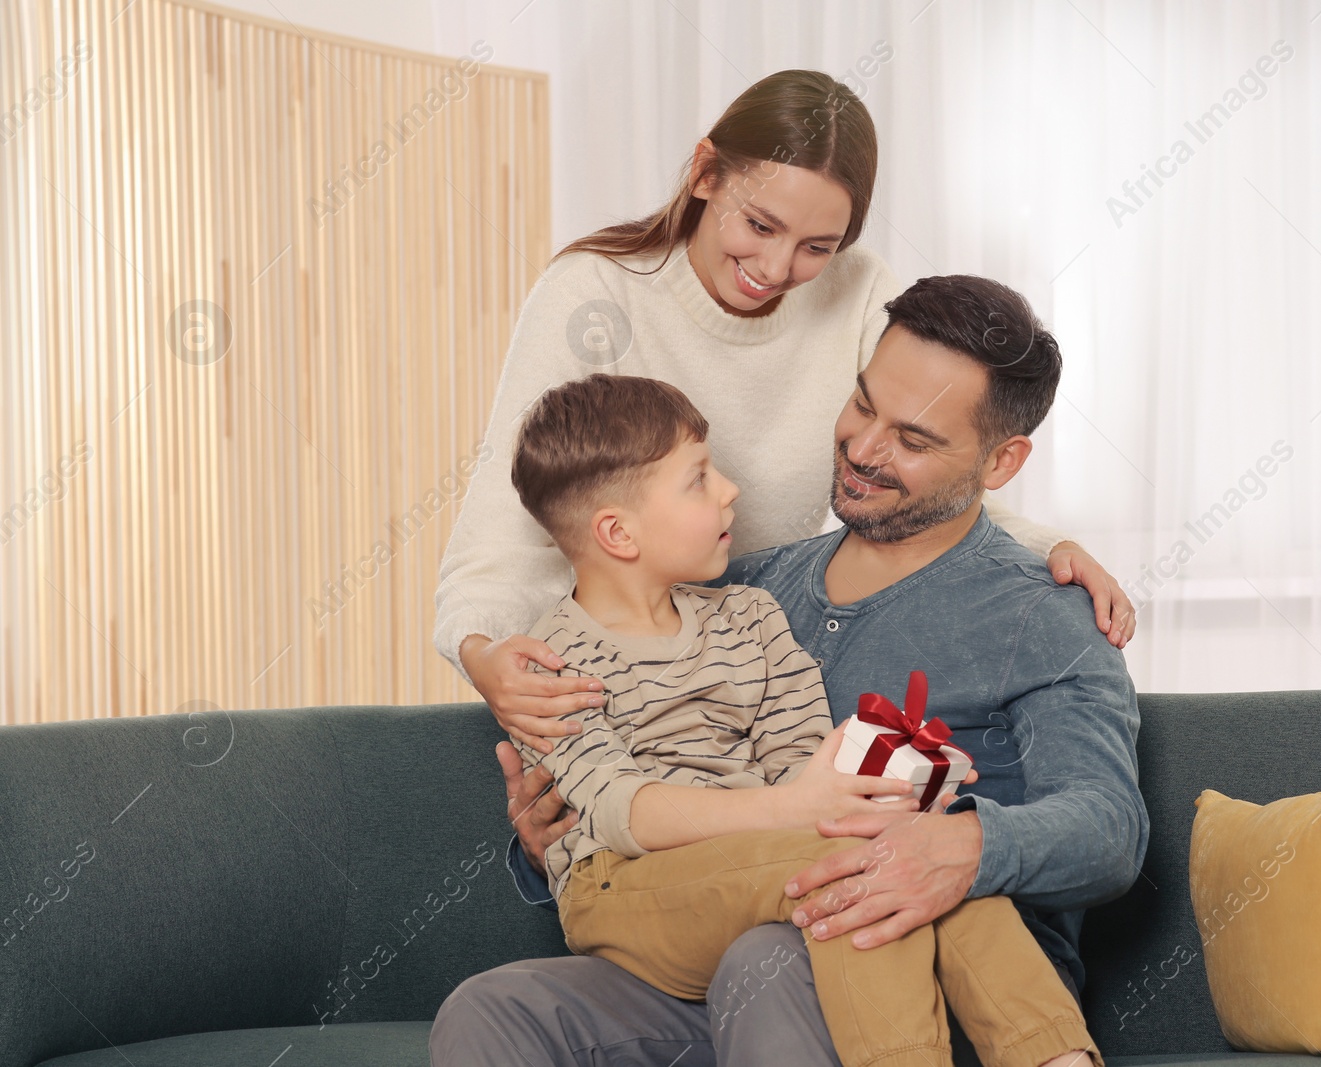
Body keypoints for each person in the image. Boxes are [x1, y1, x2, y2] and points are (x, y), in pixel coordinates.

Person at [432, 274, 1148, 1067]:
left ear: (1001, 461)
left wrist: (964, 846)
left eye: (911, 439)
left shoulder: (1044, 610)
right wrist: (553, 836)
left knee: (770, 956)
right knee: (493, 1011)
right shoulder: (743, 591)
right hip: (710, 941)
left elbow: (1111, 829)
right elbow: (644, 764)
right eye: (863, 403)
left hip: (936, 980)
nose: (865, 447)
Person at [431, 68, 1136, 773]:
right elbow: (501, 537)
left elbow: (922, 451)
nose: (774, 267)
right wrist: (483, 654)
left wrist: (1050, 550)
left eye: (816, 247)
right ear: (706, 173)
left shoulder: (856, 289)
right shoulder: (593, 294)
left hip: (749, 678)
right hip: (606, 688)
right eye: (759, 225)